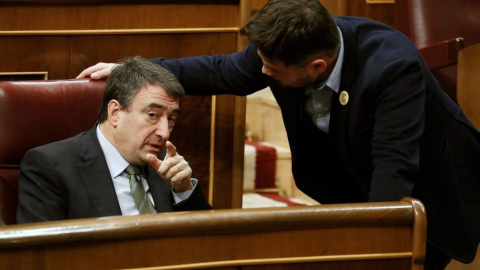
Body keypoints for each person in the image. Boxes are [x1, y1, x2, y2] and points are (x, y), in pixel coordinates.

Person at [76, 0, 480, 269]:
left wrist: (371, 251)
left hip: (430, 188)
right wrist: (138, 69)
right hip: (355, 176)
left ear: (317, 67)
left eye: (272, 70)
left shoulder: (392, 68)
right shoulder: (288, 45)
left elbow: (394, 168)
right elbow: (222, 70)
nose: (262, 74)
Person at [18, 56, 212, 224]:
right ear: (115, 112)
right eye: (152, 115)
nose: (165, 133)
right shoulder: (50, 167)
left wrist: (184, 190)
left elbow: (208, 245)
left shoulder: (169, 166)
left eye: (170, 119)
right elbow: (42, 257)